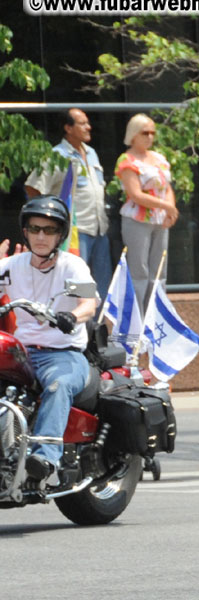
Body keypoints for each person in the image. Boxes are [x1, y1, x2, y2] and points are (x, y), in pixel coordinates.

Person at [0, 196, 99, 485]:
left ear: (60, 235)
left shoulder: (73, 266)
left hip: (64, 353)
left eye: (49, 230)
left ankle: (45, 459)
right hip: (22, 353)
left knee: (59, 384)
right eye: (35, 229)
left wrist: (72, 317)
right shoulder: (10, 266)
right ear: (25, 231)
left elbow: (89, 304)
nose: (41, 236)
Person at [24, 108, 112, 296]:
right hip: (75, 231)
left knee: (101, 283)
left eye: (88, 123)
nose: (89, 127)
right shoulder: (57, 155)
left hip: (99, 228)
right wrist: (46, 219)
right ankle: (77, 314)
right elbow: (33, 187)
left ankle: (97, 315)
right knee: (77, 281)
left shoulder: (91, 153)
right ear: (68, 128)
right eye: (83, 123)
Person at [115, 113, 177, 312]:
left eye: (152, 133)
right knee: (139, 271)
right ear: (133, 134)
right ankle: (138, 318)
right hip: (137, 220)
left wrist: (170, 210)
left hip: (160, 220)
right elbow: (136, 195)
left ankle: (156, 316)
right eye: (145, 133)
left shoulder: (159, 158)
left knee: (159, 271)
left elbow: (167, 187)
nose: (150, 137)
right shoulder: (127, 159)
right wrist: (167, 207)